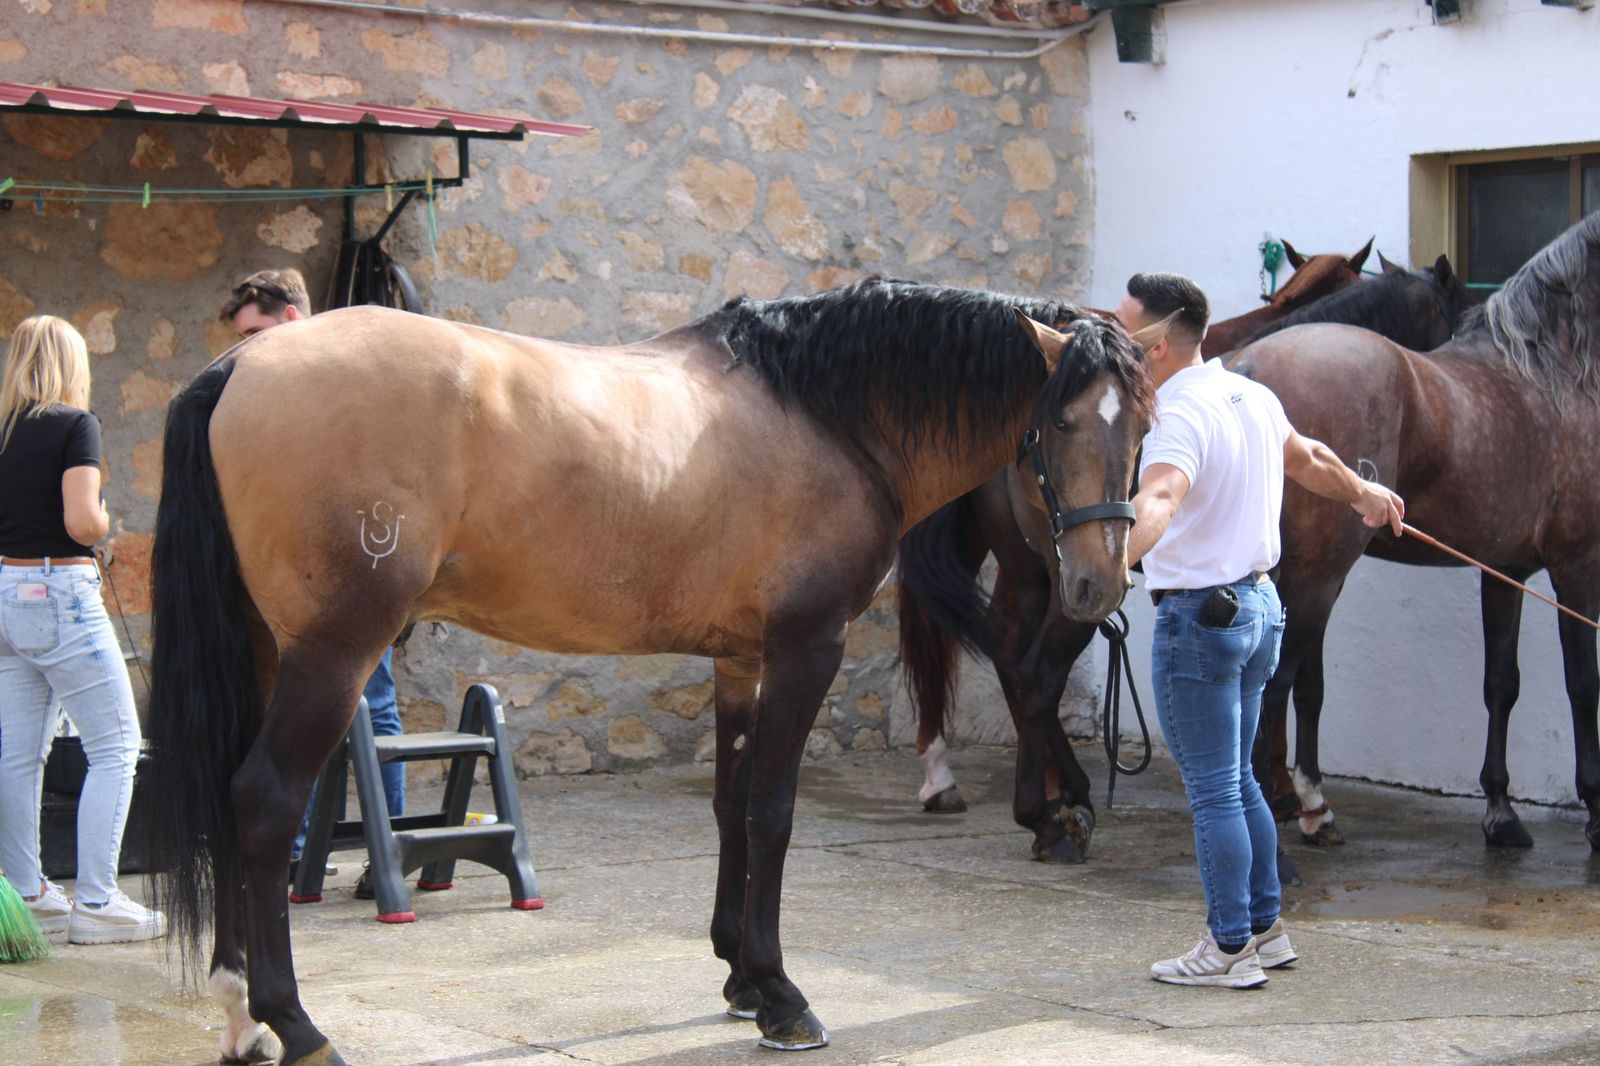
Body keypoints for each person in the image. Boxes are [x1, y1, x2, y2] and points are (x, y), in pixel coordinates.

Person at [1117, 273, 1404, 988]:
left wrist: (1110, 564)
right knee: (1238, 777)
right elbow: (1311, 459)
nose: (1115, 345)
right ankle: (1267, 930)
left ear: (1157, 345)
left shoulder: (1177, 414)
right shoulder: (1249, 393)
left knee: (1214, 788)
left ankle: (1227, 950)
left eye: (1125, 334)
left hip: (1199, 620)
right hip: (1259, 611)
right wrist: (1365, 491)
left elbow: (1158, 495)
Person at [221, 269, 405, 899]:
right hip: (302, 571)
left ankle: (390, 846)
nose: (247, 351)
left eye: (256, 334)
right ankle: (307, 847)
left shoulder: (338, 385)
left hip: (356, 568)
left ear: (293, 320)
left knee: (372, 703)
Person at [0, 316, 167, 944]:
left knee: (17, 756)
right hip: (59, 592)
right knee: (118, 746)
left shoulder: (3, 433)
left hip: (5, 592)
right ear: (73, 365)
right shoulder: (76, 426)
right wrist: (103, 519)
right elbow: (80, 524)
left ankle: (28, 892)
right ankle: (96, 901)